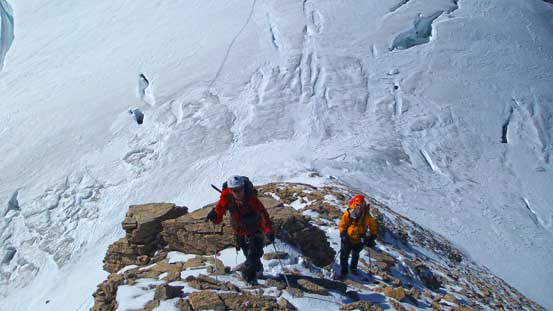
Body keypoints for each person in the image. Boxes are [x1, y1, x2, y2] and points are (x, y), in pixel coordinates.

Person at [206, 175, 275, 285]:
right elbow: (219, 212)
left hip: (255, 230)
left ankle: (248, 276)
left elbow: (263, 215)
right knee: (248, 253)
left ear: (243, 187)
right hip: (240, 231)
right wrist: (214, 215)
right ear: (230, 190)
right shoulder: (226, 197)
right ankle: (257, 273)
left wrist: (268, 231)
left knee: (255, 253)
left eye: (240, 189)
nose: (238, 192)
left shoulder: (251, 198)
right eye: (234, 190)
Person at [338, 194, 378, 277]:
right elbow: (342, 225)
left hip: (359, 239)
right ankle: (344, 270)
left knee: (355, 254)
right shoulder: (348, 213)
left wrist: (373, 236)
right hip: (348, 238)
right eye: (357, 205)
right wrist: (343, 234)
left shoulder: (366, 216)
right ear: (354, 204)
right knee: (344, 255)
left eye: (361, 205)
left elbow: (373, 225)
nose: (359, 207)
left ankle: (353, 268)